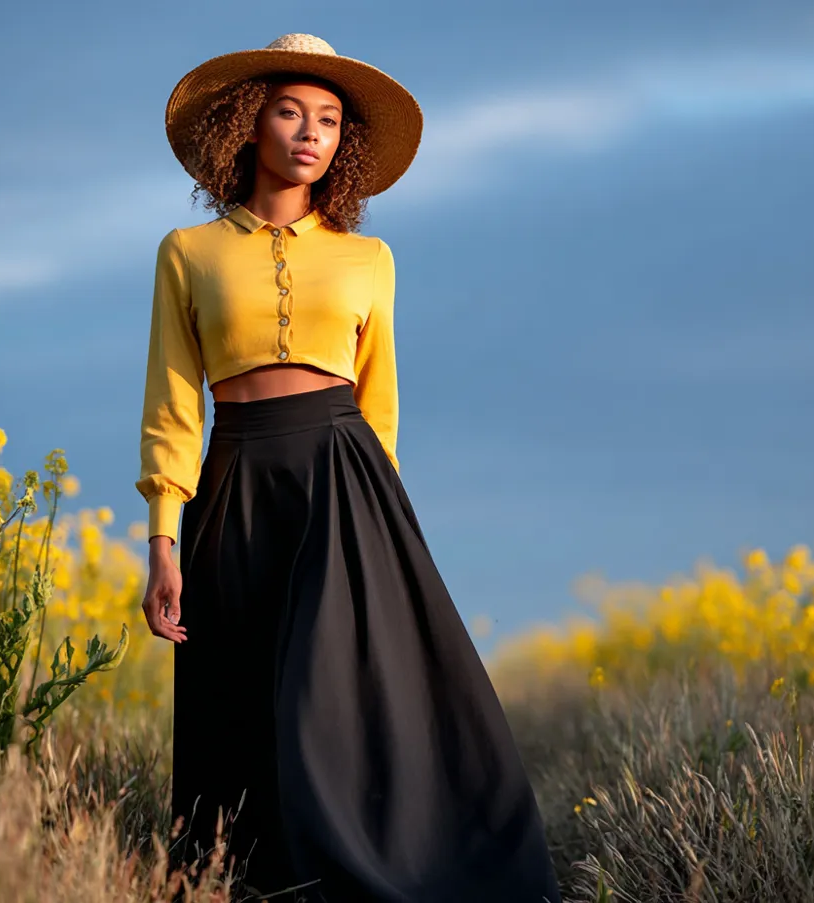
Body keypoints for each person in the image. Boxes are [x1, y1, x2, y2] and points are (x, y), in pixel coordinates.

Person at [136, 32, 562, 903]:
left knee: (333, 690)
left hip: (346, 476)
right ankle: (257, 880)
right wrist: (163, 541)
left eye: (328, 120)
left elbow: (381, 400)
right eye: (290, 112)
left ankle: (397, 864)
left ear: (344, 143)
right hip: (237, 479)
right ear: (247, 124)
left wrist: (386, 524)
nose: (310, 133)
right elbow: (173, 405)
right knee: (240, 692)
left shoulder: (370, 259)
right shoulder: (187, 251)